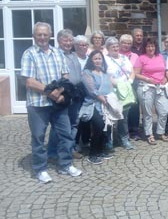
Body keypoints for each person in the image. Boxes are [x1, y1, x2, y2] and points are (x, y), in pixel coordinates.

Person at [21, 22, 82, 183]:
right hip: (37, 104)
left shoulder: (57, 53)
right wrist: (52, 93)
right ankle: (40, 169)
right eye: (39, 35)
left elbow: (65, 77)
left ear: (50, 35)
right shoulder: (29, 54)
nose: (42, 37)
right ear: (34, 36)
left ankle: (65, 164)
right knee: (39, 137)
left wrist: (60, 92)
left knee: (66, 134)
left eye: (45, 34)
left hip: (59, 103)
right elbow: (30, 82)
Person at [47, 29, 83, 160]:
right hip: (63, 94)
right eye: (65, 40)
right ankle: (52, 151)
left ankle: (69, 148)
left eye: (70, 40)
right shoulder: (56, 55)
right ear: (58, 41)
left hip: (75, 93)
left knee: (74, 123)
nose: (68, 43)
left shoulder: (73, 55)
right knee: (59, 125)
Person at [82, 50, 115, 164]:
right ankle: (92, 153)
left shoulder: (104, 72)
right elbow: (91, 89)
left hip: (105, 104)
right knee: (98, 127)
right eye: (95, 58)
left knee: (105, 128)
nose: (98, 60)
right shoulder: (87, 72)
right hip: (93, 104)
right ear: (91, 60)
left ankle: (100, 150)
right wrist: (101, 97)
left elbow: (110, 87)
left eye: (99, 58)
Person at [134, 38, 168, 145]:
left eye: (152, 46)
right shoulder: (141, 58)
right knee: (147, 113)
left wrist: (166, 79)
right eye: (148, 46)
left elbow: (165, 71)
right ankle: (149, 134)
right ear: (145, 47)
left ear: (155, 47)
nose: (151, 48)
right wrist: (147, 79)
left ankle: (160, 132)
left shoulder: (160, 57)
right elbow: (136, 74)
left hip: (160, 87)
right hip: (146, 87)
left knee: (164, 111)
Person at [105, 36, 136, 150]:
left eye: (117, 46)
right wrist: (118, 85)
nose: (115, 48)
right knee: (111, 118)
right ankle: (109, 141)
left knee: (124, 117)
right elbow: (104, 75)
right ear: (107, 48)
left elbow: (132, 71)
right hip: (112, 92)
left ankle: (124, 139)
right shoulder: (105, 59)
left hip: (125, 92)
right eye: (112, 46)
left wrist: (130, 81)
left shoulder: (124, 57)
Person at [120, 33, 140, 140]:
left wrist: (130, 81)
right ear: (120, 43)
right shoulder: (115, 54)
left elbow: (136, 70)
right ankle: (123, 131)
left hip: (132, 84)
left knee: (134, 107)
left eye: (128, 43)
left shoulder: (135, 56)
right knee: (122, 108)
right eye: (124, 43)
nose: (126, 45)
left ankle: (134, 131)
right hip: (119, 85)